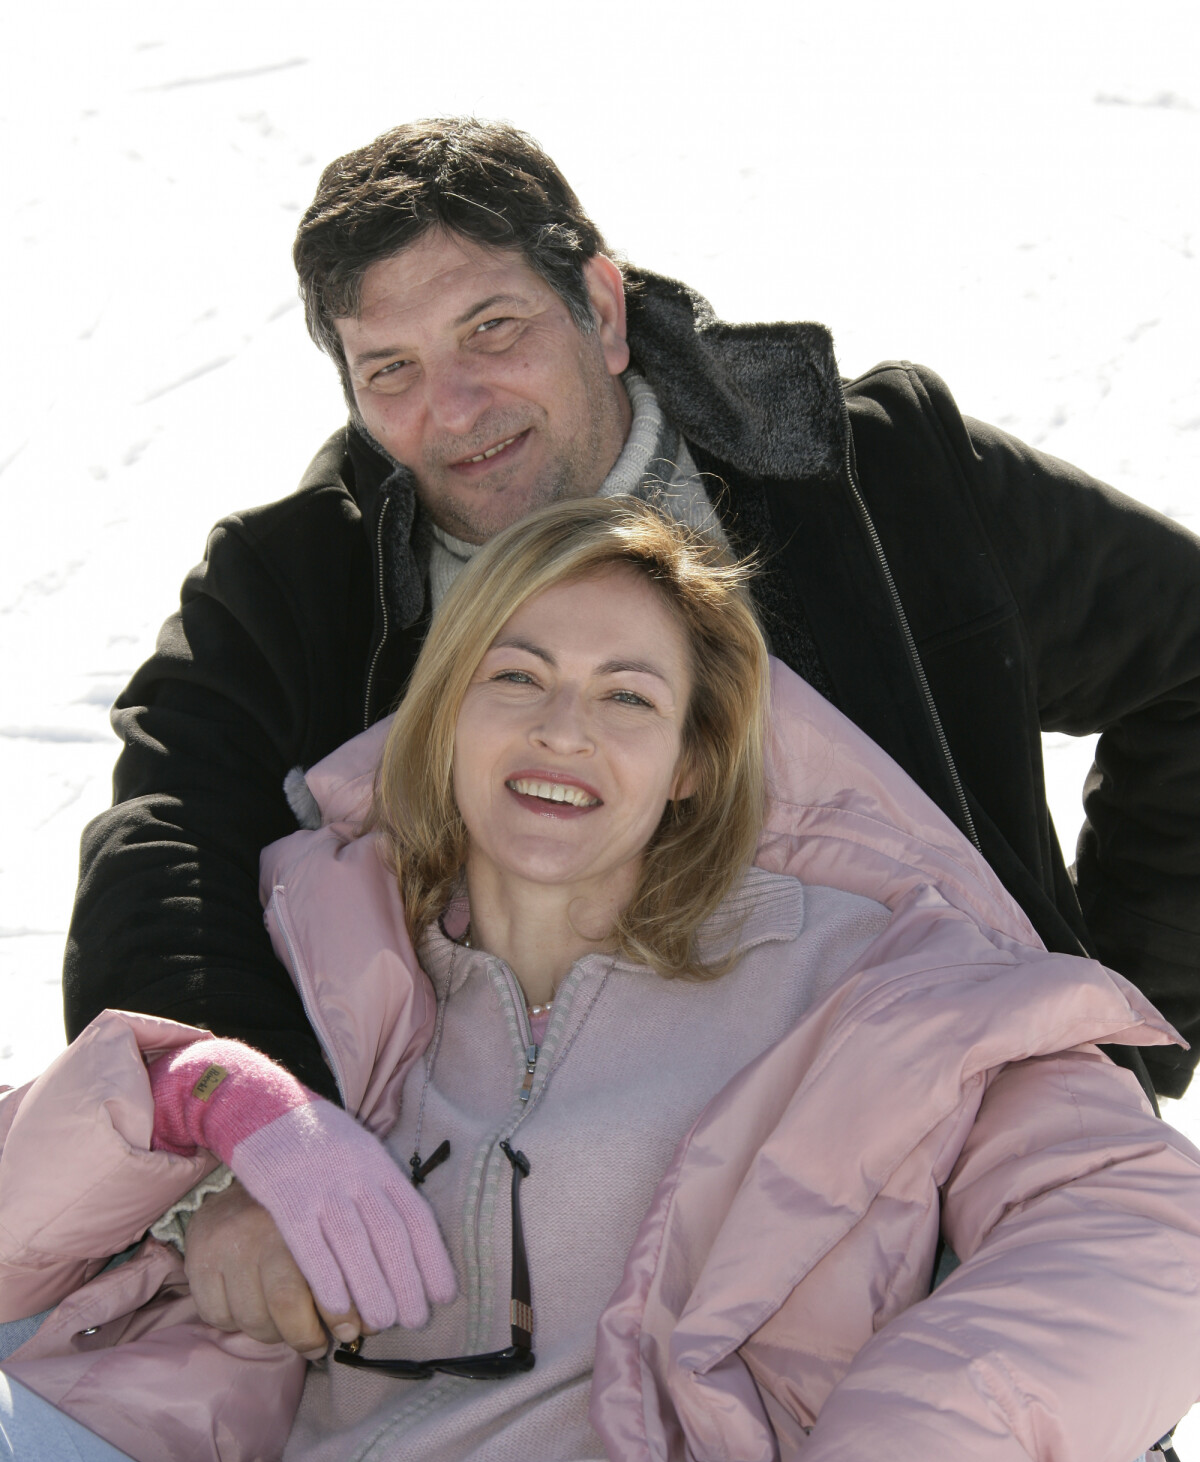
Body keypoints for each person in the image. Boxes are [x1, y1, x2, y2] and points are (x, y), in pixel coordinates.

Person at [2, 499, 1199, 1462]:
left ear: (692, 758)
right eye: (515, 675)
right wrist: (206, 1100)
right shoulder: (325, 945)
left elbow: (1136, 1223)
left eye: (628, 697)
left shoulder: (868, 975)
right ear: (446, 710)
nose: (562, 728)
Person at [64, 115, 1200, 1163]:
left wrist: (1110, 1019)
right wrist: (267, 1142)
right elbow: (165, 848)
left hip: (937, 1173)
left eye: (492, 329)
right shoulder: (292, 584)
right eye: (391, 369)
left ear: (601, 311)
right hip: (529, 1244)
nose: (454, 406)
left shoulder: (883, 480)